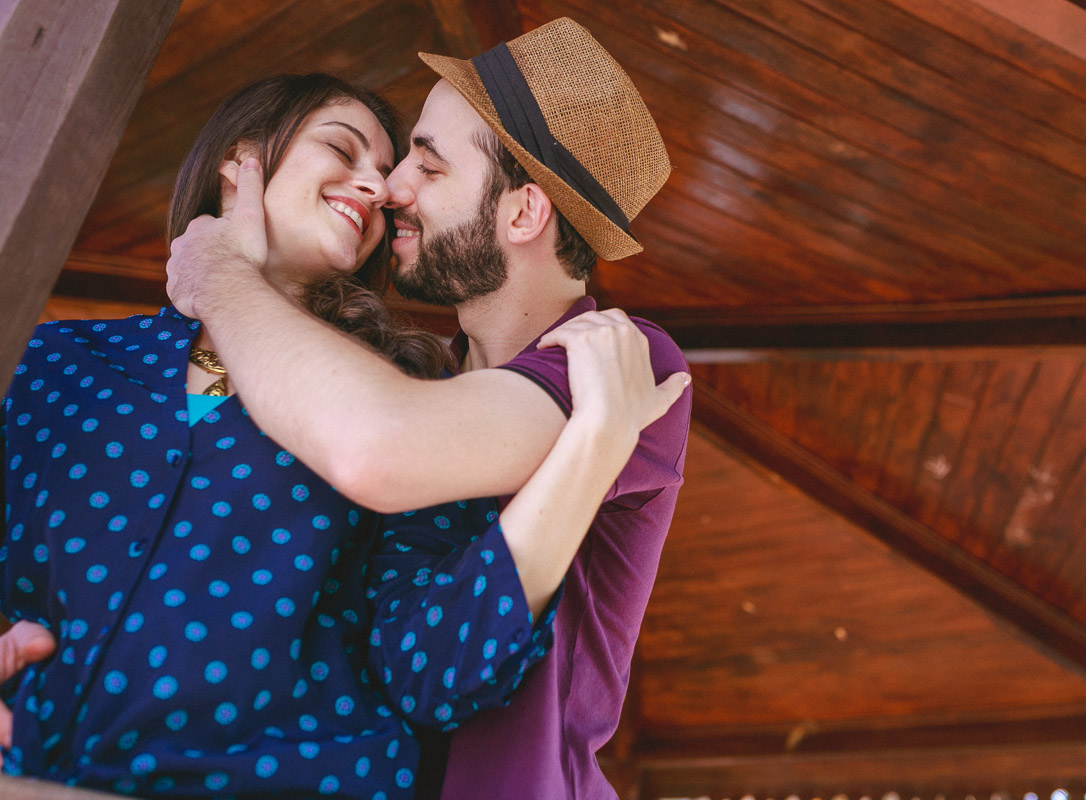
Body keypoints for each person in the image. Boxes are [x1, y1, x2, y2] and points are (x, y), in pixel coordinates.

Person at [0, 71, 687, 798]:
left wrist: (220, 270)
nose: (387, 187)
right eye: (347, 150)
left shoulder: (606, 359)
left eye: (425, 163)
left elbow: (379, 456)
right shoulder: (52, 359)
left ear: (523, 214)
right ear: (240, 162)